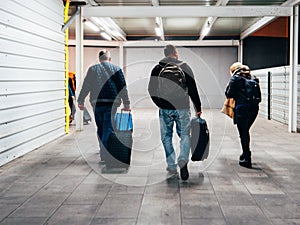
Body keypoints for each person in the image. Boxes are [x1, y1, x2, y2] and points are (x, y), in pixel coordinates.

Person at [148, 44, 202, 180]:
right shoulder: (184, 67)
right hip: (182, 107)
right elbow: (193, 88)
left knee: (166, 137)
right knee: (184, 134)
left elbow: (151, 89)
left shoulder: (157, 68)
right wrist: (198, 107)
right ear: (175, 53)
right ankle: (183, 159)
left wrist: (160, 103)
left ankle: (171, 165)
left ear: (165, 54)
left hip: (165, 108)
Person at [77, 50, 131, 163]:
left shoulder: (93, 69)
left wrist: (80, 100)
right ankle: (106, 154)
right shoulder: (116, 69)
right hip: (112, 103)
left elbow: (86, 86)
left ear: (99, 59)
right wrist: (127, 103)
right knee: (108, 127)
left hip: (96, 102)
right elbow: (123, 87)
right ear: (109, 59)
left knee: (100, 127)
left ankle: (103, 152)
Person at [225, 62, 259, 168]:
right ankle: (245, 154)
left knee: (243, 133)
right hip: (254, 109)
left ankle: (247, 157)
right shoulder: (253, 77)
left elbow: (229, 94)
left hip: (242, 108)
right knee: (245, 131)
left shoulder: (236, 78)